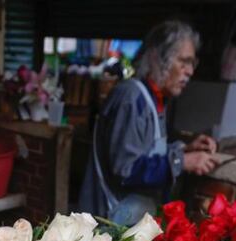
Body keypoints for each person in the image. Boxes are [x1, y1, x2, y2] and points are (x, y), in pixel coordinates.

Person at [80, 20, 219, 224]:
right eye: (183, 61)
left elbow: (145, 152)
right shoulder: (131, 98)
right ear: (157, 58)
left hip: (129, 222)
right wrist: (183, 161)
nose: (189, 71)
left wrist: (184, 149)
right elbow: (126, 169)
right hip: (107, 224)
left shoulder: (156, 100)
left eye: (192, 63)